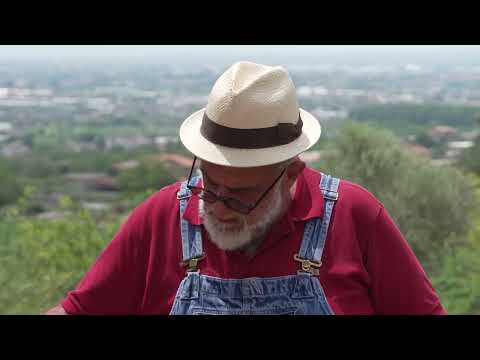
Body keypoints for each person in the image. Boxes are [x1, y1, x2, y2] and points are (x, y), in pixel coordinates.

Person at [46, 61, 446, 315]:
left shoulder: (354, 215)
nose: (217, 207)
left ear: (290, 175)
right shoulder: (160, 216)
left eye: (239, 195)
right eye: (209, 185)